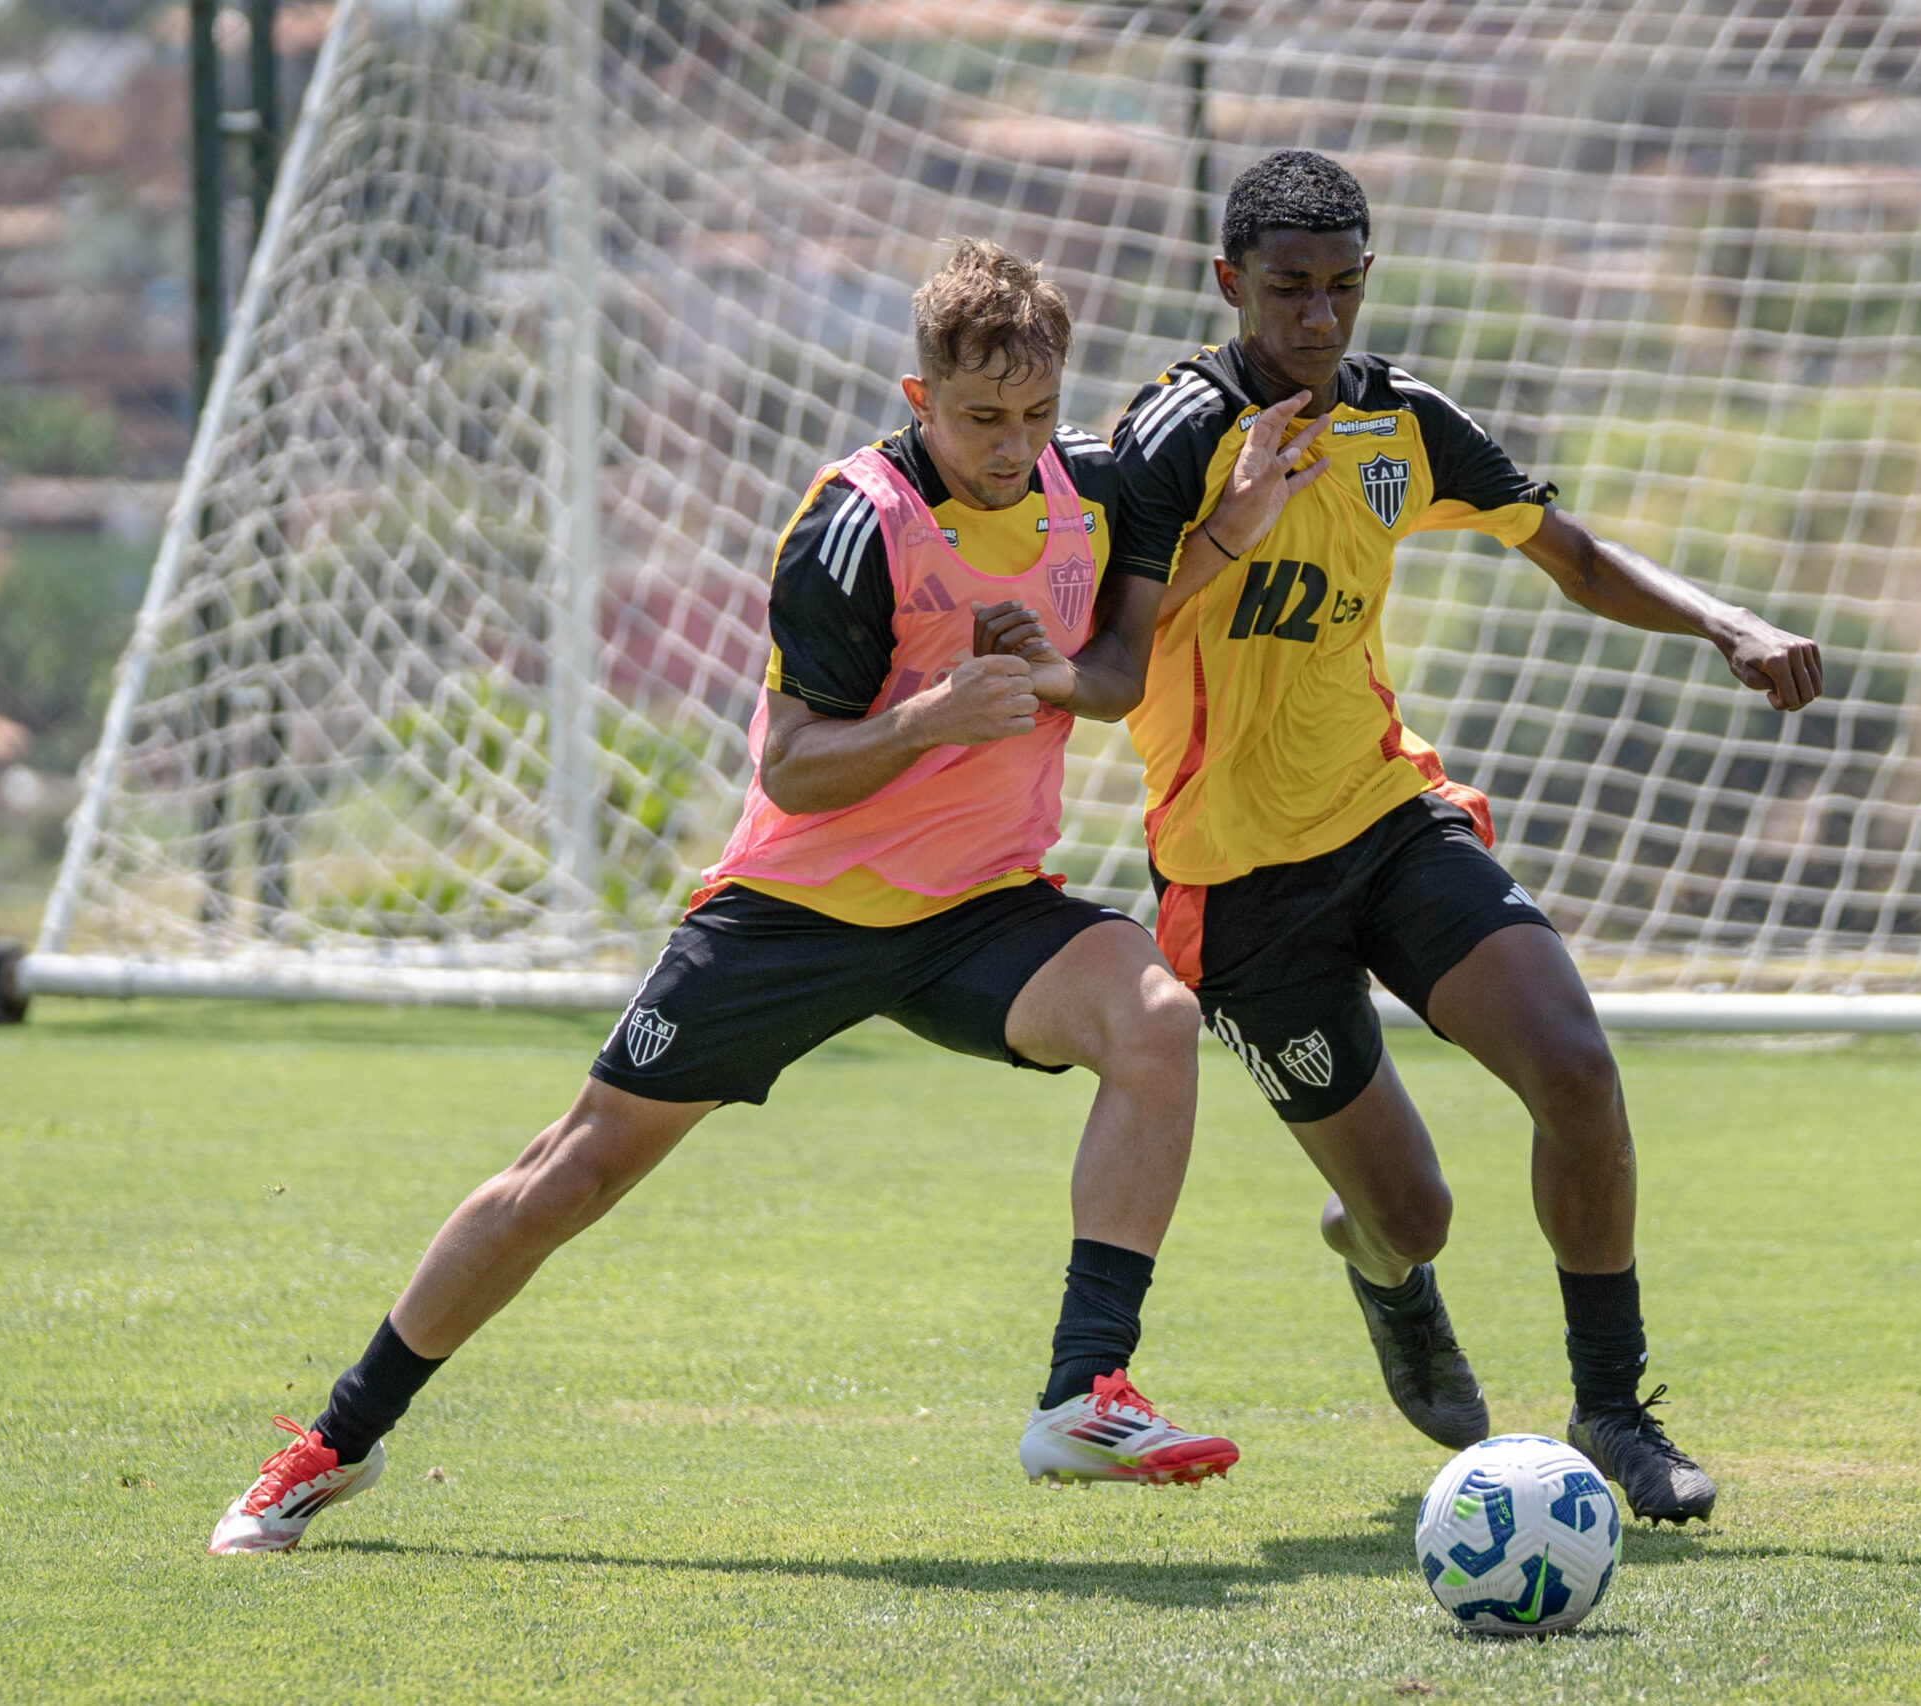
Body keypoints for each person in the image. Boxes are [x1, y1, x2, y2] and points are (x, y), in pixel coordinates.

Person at [209, 240, 1235, 1555]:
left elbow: (1112, 648)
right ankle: (331, 1441)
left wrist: (1221, 538)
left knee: (1152, 1016)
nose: (1011, 442)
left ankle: (1083, 1393)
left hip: (984, 906)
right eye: (982, 417)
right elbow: (795, 767)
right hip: (796, 910)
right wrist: (932, 715)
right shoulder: (855, 524)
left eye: (1035, 414)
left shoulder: (1081, 492)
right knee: (571, 1173)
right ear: (920, 398)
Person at [1106, 151, 1825, 1525]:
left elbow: (1566, 550)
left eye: (1340, 287)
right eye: (1287, 291)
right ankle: (1382, 1269)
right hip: (1239, 884)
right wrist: (1228, 528)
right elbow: (1111, 649)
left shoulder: (1404, 425)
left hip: (1389, 816)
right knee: (1413, 1214)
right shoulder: (1169, 439)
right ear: (1229, 286)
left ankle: (1613, 1409)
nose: (1318, 319)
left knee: (1573, 1061)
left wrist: (1722, 620)